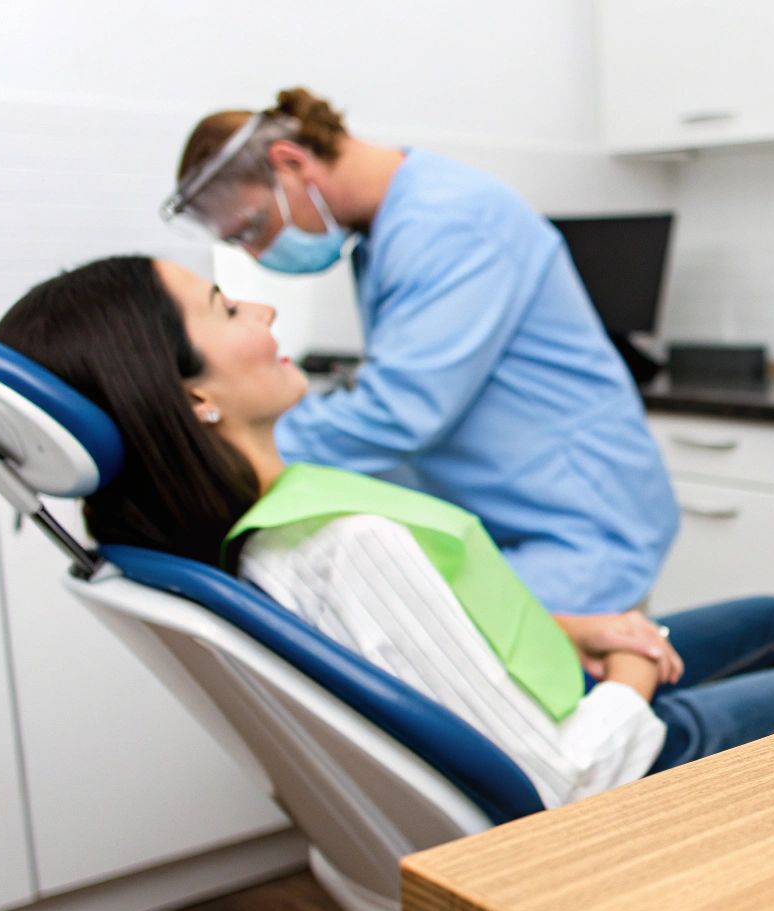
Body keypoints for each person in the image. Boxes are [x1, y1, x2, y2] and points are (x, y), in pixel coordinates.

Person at [0, 256, 774, 808]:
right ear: (192, 395)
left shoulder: (265, 521)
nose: (266, 311)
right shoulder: (338, 544)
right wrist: (633, 672)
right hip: (617, 764)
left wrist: (580, 631)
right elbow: (564, 778)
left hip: (565, 687)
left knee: (772, 615)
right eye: (229, 310)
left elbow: (414, 639)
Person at [160, 87, 676, 615]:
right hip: (515, 518)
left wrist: (234, 455)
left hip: (579, 530)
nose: (257, 251)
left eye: (251, 227)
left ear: (290, 162)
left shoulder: (450, 221)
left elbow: (399, 412)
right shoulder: (382, 233)